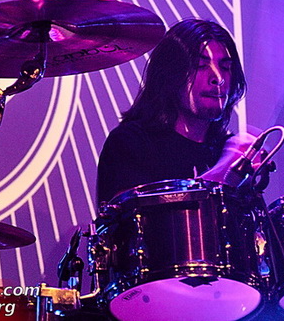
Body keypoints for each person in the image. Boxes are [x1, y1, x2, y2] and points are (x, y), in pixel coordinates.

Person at [97, 17, 249, 205]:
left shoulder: (224, 148)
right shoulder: (131, 143)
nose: (218, 78)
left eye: (225, 67)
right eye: (200, 66)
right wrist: (225, 170)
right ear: (170, 75)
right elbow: (136, 217)